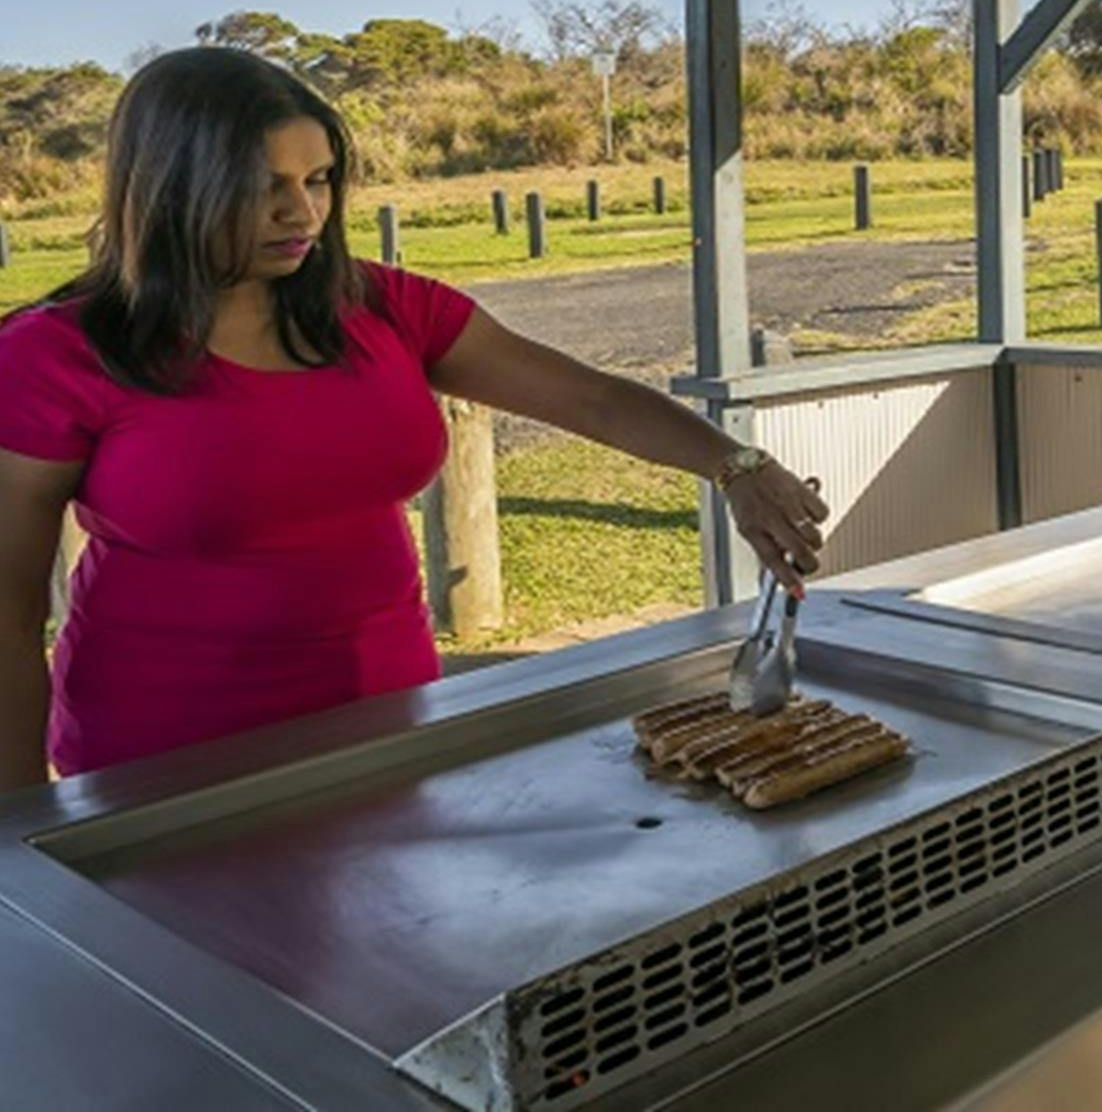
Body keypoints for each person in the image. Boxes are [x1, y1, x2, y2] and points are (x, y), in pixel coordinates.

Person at [0, 48, 830, 791]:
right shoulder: (52, 355)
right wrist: (14, 825)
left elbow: (593, 399)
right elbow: (7, 612)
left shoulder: (382, 306)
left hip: (391, 730)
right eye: (262, 187)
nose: (302, 213)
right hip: (164, 764)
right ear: (170, 187)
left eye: (318, 179)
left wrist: (736, 467)